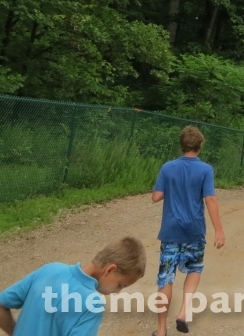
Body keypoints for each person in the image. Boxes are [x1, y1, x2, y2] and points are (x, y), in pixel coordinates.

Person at [152, 125, 226, 336]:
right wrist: (219, 229)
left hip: (170, 230)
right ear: (200, 146)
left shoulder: (168, 167)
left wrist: (172, 188)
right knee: (194, 269)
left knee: (166, 278)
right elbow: (210, 199)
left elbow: (156, 196)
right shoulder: (205, 170)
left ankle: (160, 330)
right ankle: (184, 312)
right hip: (194, 230)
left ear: (182, 145)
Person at [0, 236, 146, 336]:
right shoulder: (92, 304)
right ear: (110, 270)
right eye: (120, 285)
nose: (117, 292)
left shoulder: (50, 269)